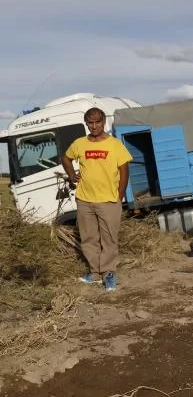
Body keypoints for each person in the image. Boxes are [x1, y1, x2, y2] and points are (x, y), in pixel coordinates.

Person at [61, 107, 132, 292]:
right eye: (90, 123)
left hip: (109, 199)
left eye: (97, 122)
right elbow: (66, 158)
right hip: (84, 199)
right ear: (86, 124)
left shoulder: (115, 145)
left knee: (109, 238)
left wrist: (120, 194)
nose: (94, 126)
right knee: (88, 238)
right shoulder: (79, 143)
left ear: (103, 122)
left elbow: (124, 170)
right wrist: (71, 175)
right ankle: (94, 272)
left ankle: (108, 273)